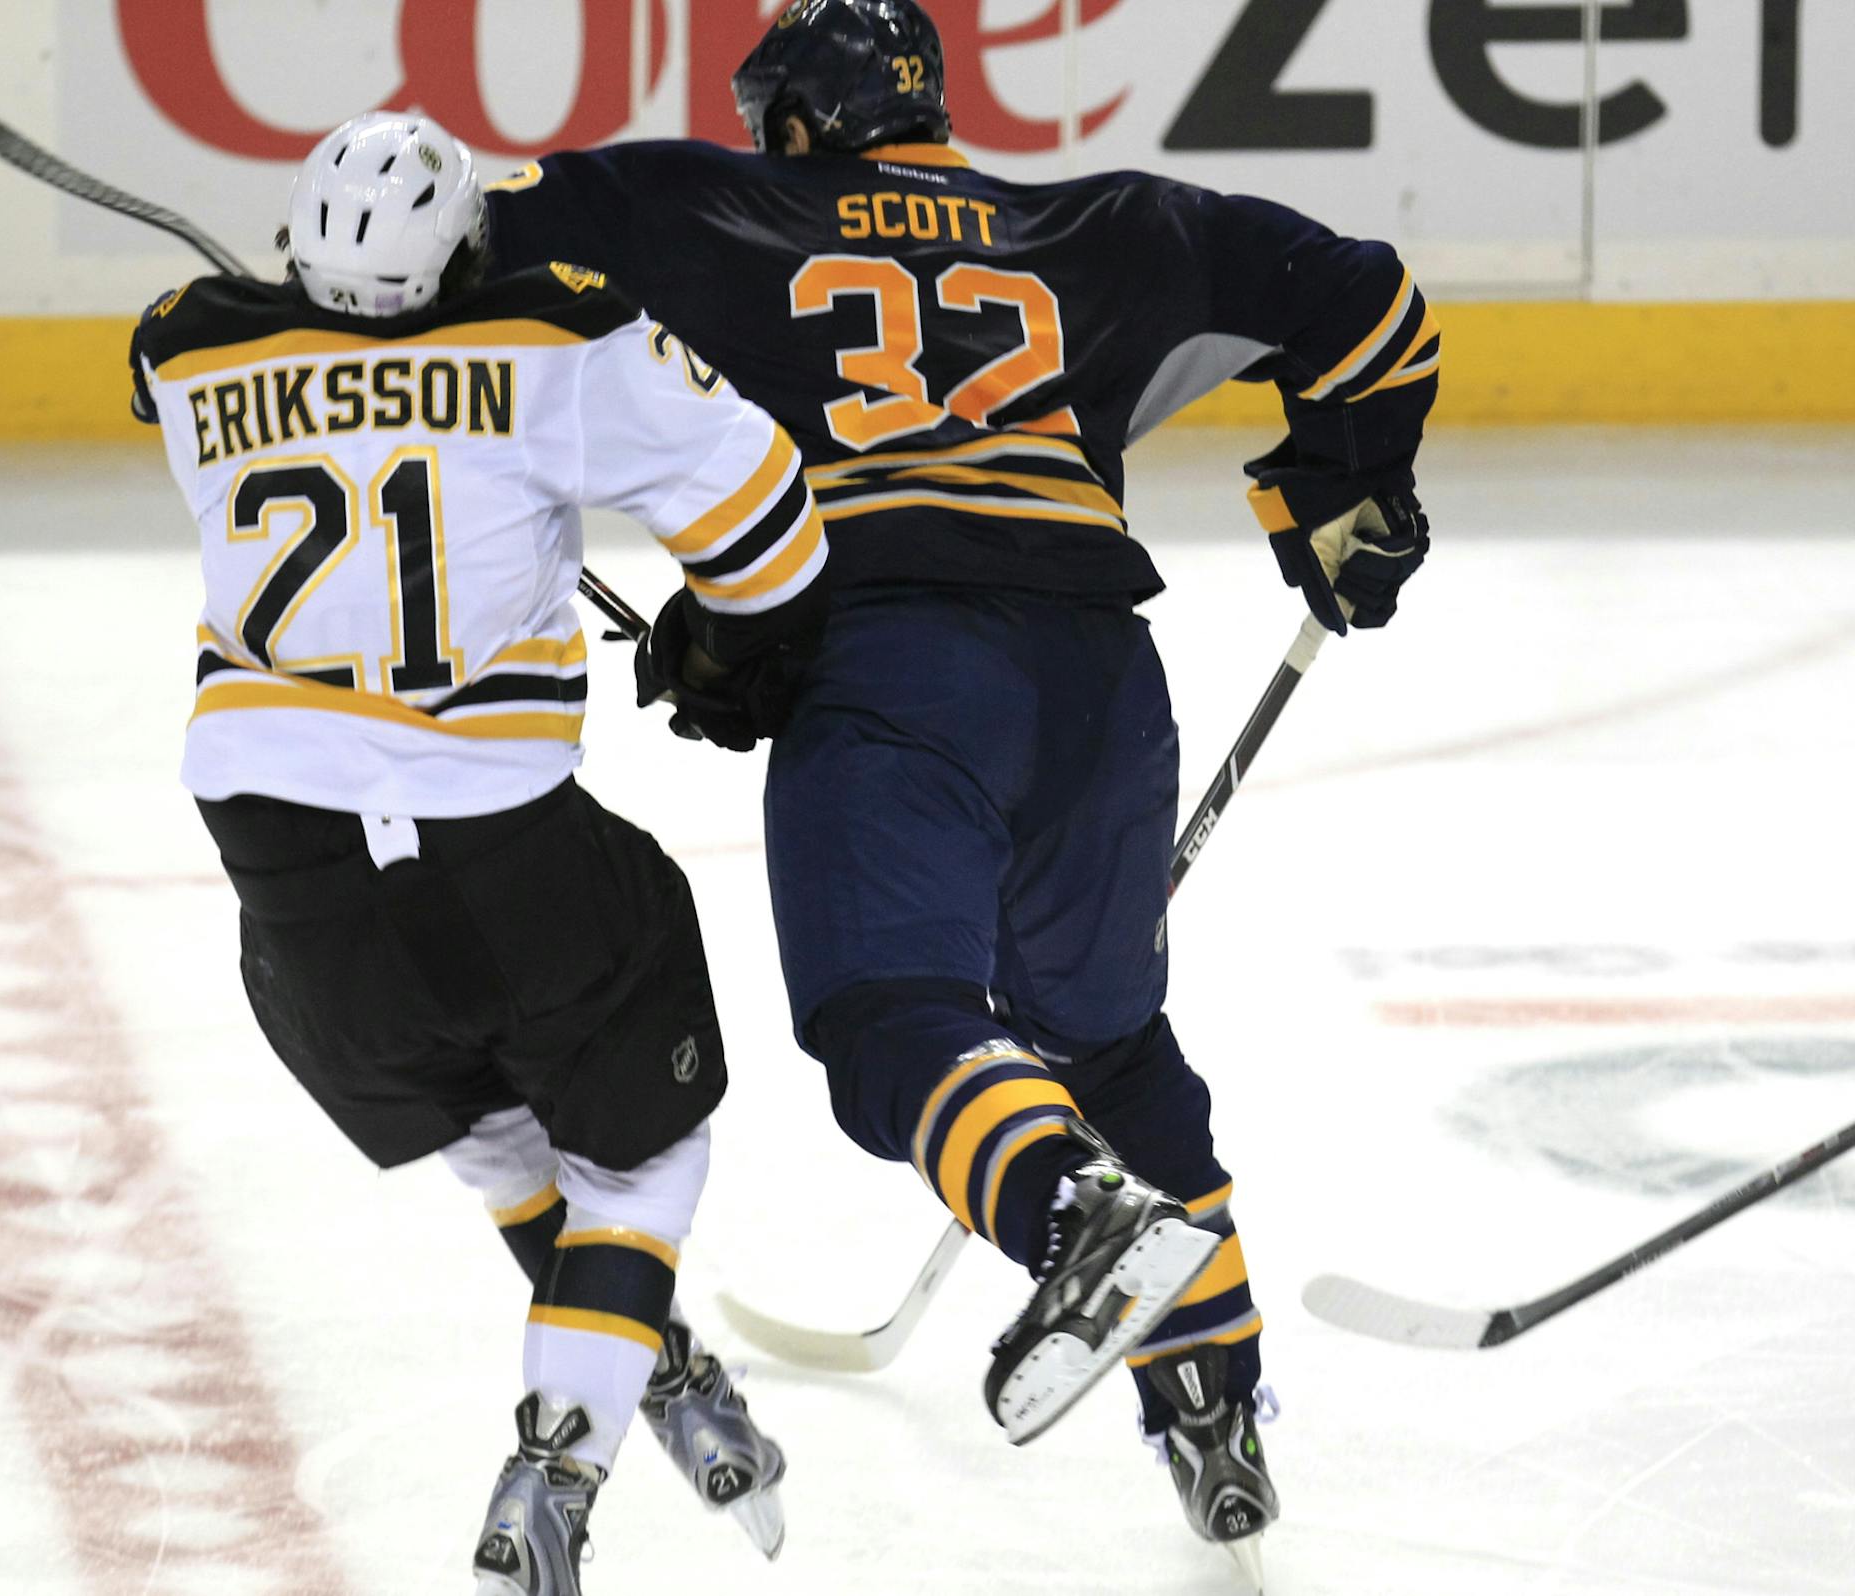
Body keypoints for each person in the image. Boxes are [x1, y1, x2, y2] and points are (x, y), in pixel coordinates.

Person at [480, 0, 1439, 1581]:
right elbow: (1371, 303)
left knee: (894, 1025)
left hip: (896, 669)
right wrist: (1340, 489)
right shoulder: (1108, 222)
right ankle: (1213, 1394)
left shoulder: (710, 203)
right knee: (1110, 1044)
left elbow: (473, 246)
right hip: (1102, 692)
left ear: (795, 119)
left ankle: (1075, 1218)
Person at [127, 112, 825, 1595]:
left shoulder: (187, 356)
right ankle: (558, 1468)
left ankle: (659, 1367)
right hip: (496, 838)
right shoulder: (558, 336)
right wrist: (724, 654)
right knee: (644, 1157)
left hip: (284, 873)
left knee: (497, 1134)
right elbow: (771, 529)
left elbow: (190, 354)